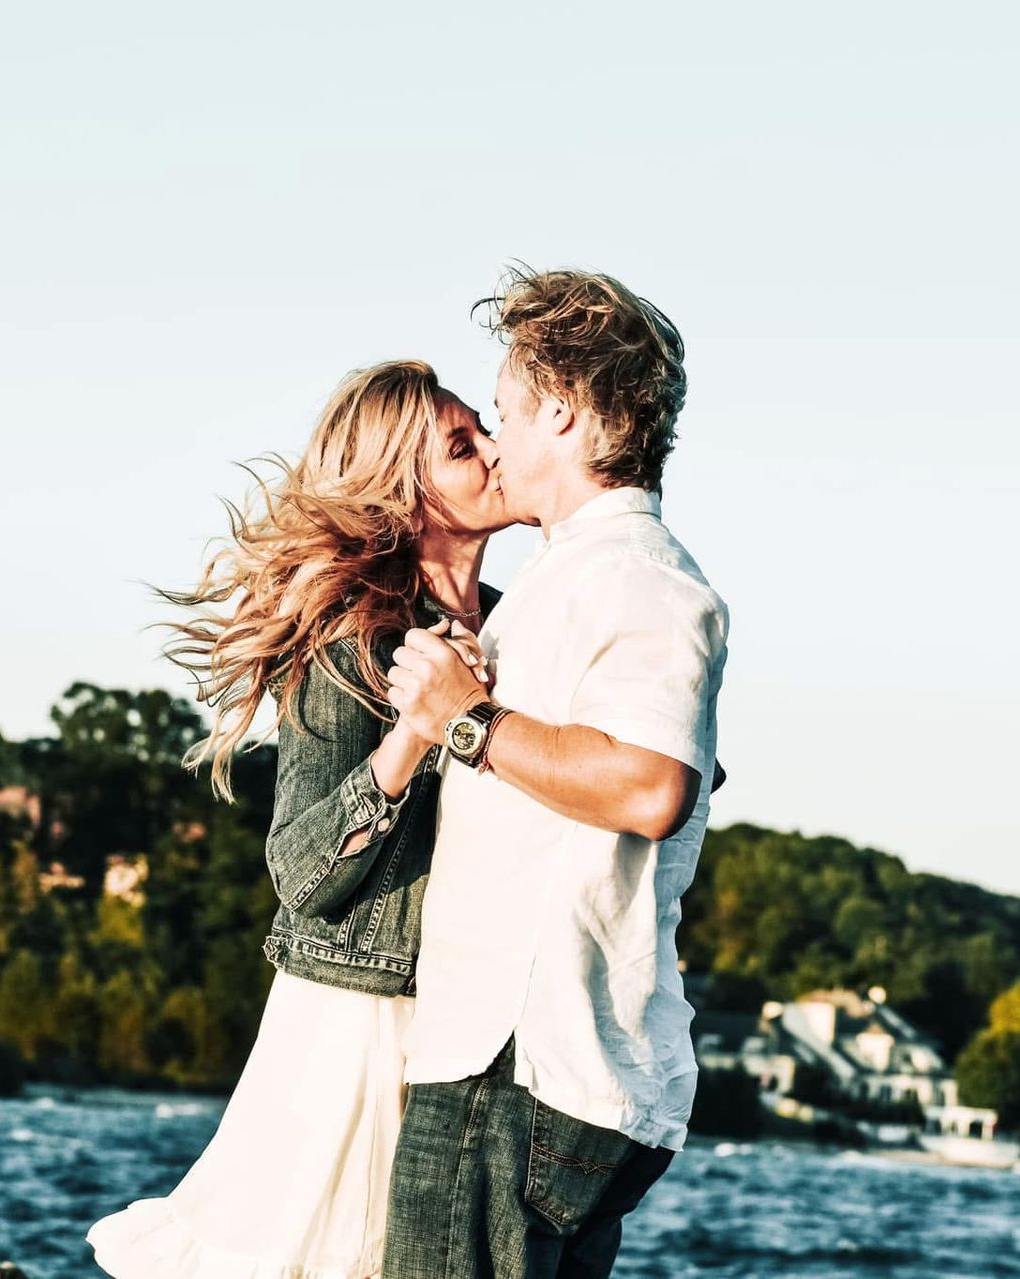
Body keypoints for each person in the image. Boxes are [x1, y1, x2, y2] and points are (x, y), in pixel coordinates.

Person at [87, 359, 509, 1278]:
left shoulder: (526, 626)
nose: (493, 452)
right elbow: (303, 870)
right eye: (461, 444)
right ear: (408, 490)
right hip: (354, 1020)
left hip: (474, 1017)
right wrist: (417, 729)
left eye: (485, 428)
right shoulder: (351, 638)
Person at [380, 268, 729, 1279]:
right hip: (539, 1067)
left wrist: (467, 719)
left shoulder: (635, 575)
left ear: (567, 416)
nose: (492, 445)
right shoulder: (582, 575)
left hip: (518, 1067)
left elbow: (653, 786)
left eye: (503, 416)